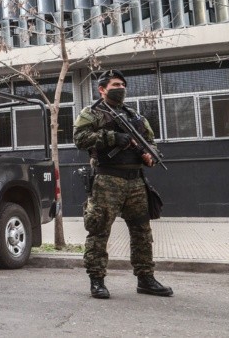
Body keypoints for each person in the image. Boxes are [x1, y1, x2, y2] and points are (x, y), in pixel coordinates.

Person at [74, 70, 173, 299]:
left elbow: (150, 142)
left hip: (136, 181)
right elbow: (79, 139)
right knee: (98, 230)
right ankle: (97, 280)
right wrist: (111, 138)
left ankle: (146, 278)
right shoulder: (92, 113)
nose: (121, 88)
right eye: (116, 84)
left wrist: (151, 156)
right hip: (107, 180)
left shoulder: (135, 116)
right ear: (102, 89)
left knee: (142, 232)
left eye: (123, 84)